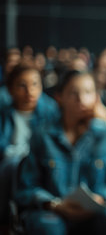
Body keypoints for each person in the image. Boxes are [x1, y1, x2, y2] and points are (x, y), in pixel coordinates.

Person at [14, 70, 106, 235]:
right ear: (59, 97)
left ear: (97, 97)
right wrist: (55, 204)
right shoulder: (43, 135)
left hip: (94, 213)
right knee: (50, 226)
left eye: (88, 92)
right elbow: (26, 189)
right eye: (74, 93)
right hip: (53, 211)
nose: (82, 100)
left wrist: (102, 198)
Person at [0, 65, 60, 225]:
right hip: (11, 160)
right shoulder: (4, 113)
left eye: (35, 84)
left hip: (42, 158)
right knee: (11, 165)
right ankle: (8, 217)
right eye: (22, 85)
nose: (30, 91)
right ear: (10, 90)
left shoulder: (50, 110)